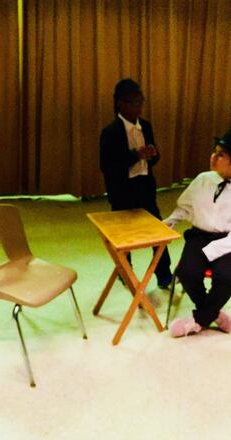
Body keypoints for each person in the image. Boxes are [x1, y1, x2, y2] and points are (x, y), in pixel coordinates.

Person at [99, 78, 173, 288]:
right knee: (124, 236)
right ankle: (126, 271)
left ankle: (164, 273)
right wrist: (135, 155)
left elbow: (153, 159)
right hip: (122, 191)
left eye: (141, 102)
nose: (139, 107)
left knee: (158, 232)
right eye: (134, 102)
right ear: (120, 104)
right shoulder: (110, 132)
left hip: (145, 187)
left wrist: (153, 155)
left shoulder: (146, 126)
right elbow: (106, 166)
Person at [166, 128, 231, 337]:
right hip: (199, 236)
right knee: (187, 272)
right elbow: (186, 207)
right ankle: (213, 314)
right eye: (214, 151)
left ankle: (197, 320)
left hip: (227, 241)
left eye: (221, 154)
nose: (214, 157)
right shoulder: (203, 179)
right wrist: (170, 222)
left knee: (227, 276)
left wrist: (213, 250)